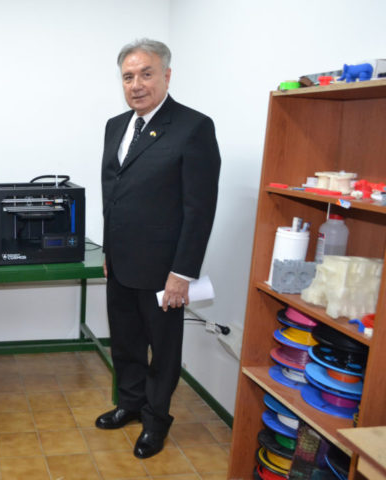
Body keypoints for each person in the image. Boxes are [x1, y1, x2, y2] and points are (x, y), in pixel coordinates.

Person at [97, 38, 220, 459]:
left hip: (165, 270)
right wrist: (107, 253)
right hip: (121, 264)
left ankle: (155, 422)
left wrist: (182, 273)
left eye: (146, 74)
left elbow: (199, 209)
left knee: (163, 353)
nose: (136, 84)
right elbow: (112, 196)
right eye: (128, 76)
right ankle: (128, 405)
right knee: (125, 344)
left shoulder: (193, 127)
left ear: (167, 75)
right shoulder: (116, 126)